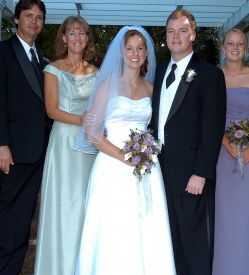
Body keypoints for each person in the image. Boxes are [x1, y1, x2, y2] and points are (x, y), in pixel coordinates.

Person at [73, 26, 176, 275]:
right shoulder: (105, 86)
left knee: (146, 226)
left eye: (140, 48)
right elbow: (91, 133)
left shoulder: (153, 90)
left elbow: (161, 130)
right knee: (113, 227)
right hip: (112, 167)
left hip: (146, 169)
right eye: (129, 48)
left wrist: (147, 152)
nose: (135, 53)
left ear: (146, 54)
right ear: (120, 52)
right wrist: (125, 157)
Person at [0, 0, 51, 275]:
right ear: (17, 18)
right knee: (10, 212)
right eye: (29, 15)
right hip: (13, 150)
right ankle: (5, 270)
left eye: (39, 17)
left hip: (40, 150)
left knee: (25, 214)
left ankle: (15, 267)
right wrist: (0, 144)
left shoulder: (43, 58)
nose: (34, 21)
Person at [150, 10, 226, 275]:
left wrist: (201, 173)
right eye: (171, 31)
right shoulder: (159, 72)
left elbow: (213, 128)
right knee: (173, 247)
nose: (176, 37)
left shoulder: (209, 74)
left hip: (192, 176)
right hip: (161, 174)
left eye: (182, 31)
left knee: (197, 249)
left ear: (192, 34)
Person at [33, 16, 98, 275]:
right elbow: (51, 110)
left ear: (87, 38)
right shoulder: (52, 70)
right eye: (72, 33)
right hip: (63, 144)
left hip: (90, 147)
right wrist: (81, 119)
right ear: (63, 37)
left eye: (82, 33)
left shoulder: (96, 72)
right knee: (63, 204)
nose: (77, 38)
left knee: (86, 204)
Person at [212, 28, 249, 274]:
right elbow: (210, 116)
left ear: (247, 48)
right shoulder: (213, 76)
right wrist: (227, 144)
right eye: (230, 43)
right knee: (223, 216)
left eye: (240, 44)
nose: (235, 47)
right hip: (221, 153)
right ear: (223, 48)